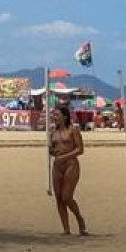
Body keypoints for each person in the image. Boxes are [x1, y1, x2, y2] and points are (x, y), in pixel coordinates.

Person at [50, 101, 88, 236]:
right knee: (59, 198)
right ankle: (66, 229)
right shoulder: (53, 132)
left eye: (57, 115)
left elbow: (80, 149)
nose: (54, 117)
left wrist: (65, 156)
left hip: (70, 164)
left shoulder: (73, 130)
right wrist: (52, 151)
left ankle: (79, 218)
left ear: (65, 116)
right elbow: (53, 149)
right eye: (54, 115)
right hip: (57, 165)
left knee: (66, 196)